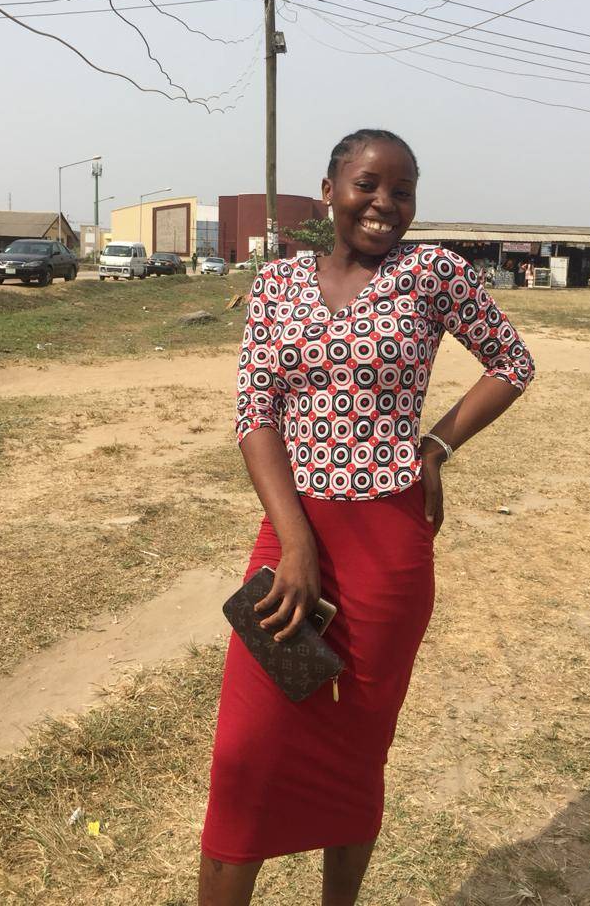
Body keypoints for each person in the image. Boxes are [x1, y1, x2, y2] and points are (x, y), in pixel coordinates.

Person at [199, 129, 535, 906]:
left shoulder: (433, 274)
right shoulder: (277, 283)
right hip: (290, 543)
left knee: (356, 755)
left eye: (402, 191)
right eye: (368, 184)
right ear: (329, 191)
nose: (385, 203)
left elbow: (512, 362)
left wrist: (436, 446)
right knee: (244, 758)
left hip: (388, 552)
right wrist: (294, 543)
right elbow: (255, 414)